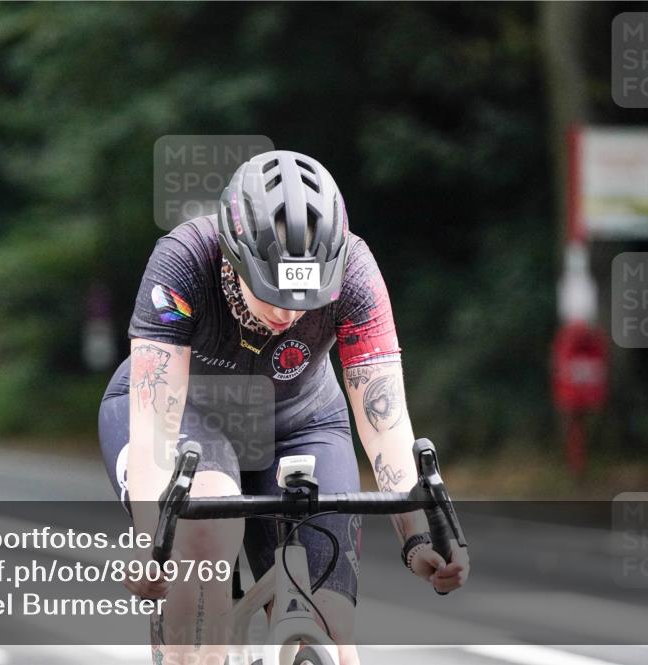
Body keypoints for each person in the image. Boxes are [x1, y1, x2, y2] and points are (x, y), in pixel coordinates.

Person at [98, 150, 470, 664]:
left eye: (306, 296)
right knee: (204, 541)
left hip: (301, 423)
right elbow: (156, 422)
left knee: (330, 629)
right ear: (235, 259)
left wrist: (419, 537)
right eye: (273, 292)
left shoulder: (355, 271)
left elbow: (386, 423)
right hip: (187, 417)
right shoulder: (184, 259)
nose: (289, 312)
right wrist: (151, 540)